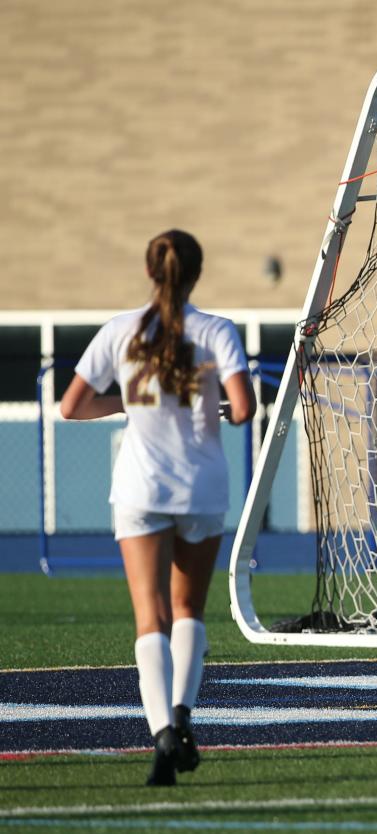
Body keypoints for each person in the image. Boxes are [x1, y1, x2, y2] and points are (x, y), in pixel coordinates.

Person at [60, 229, 255, 786]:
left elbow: (71, 405)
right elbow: (242, 409)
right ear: (195, 274)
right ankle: (183, 716)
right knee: (188, 610)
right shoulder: (216, 330)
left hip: (140, 488)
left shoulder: (120, 331)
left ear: (151, 273)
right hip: (201, 487)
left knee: (151, 617)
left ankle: (161, 734)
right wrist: (210, 400)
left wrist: (131, 401)